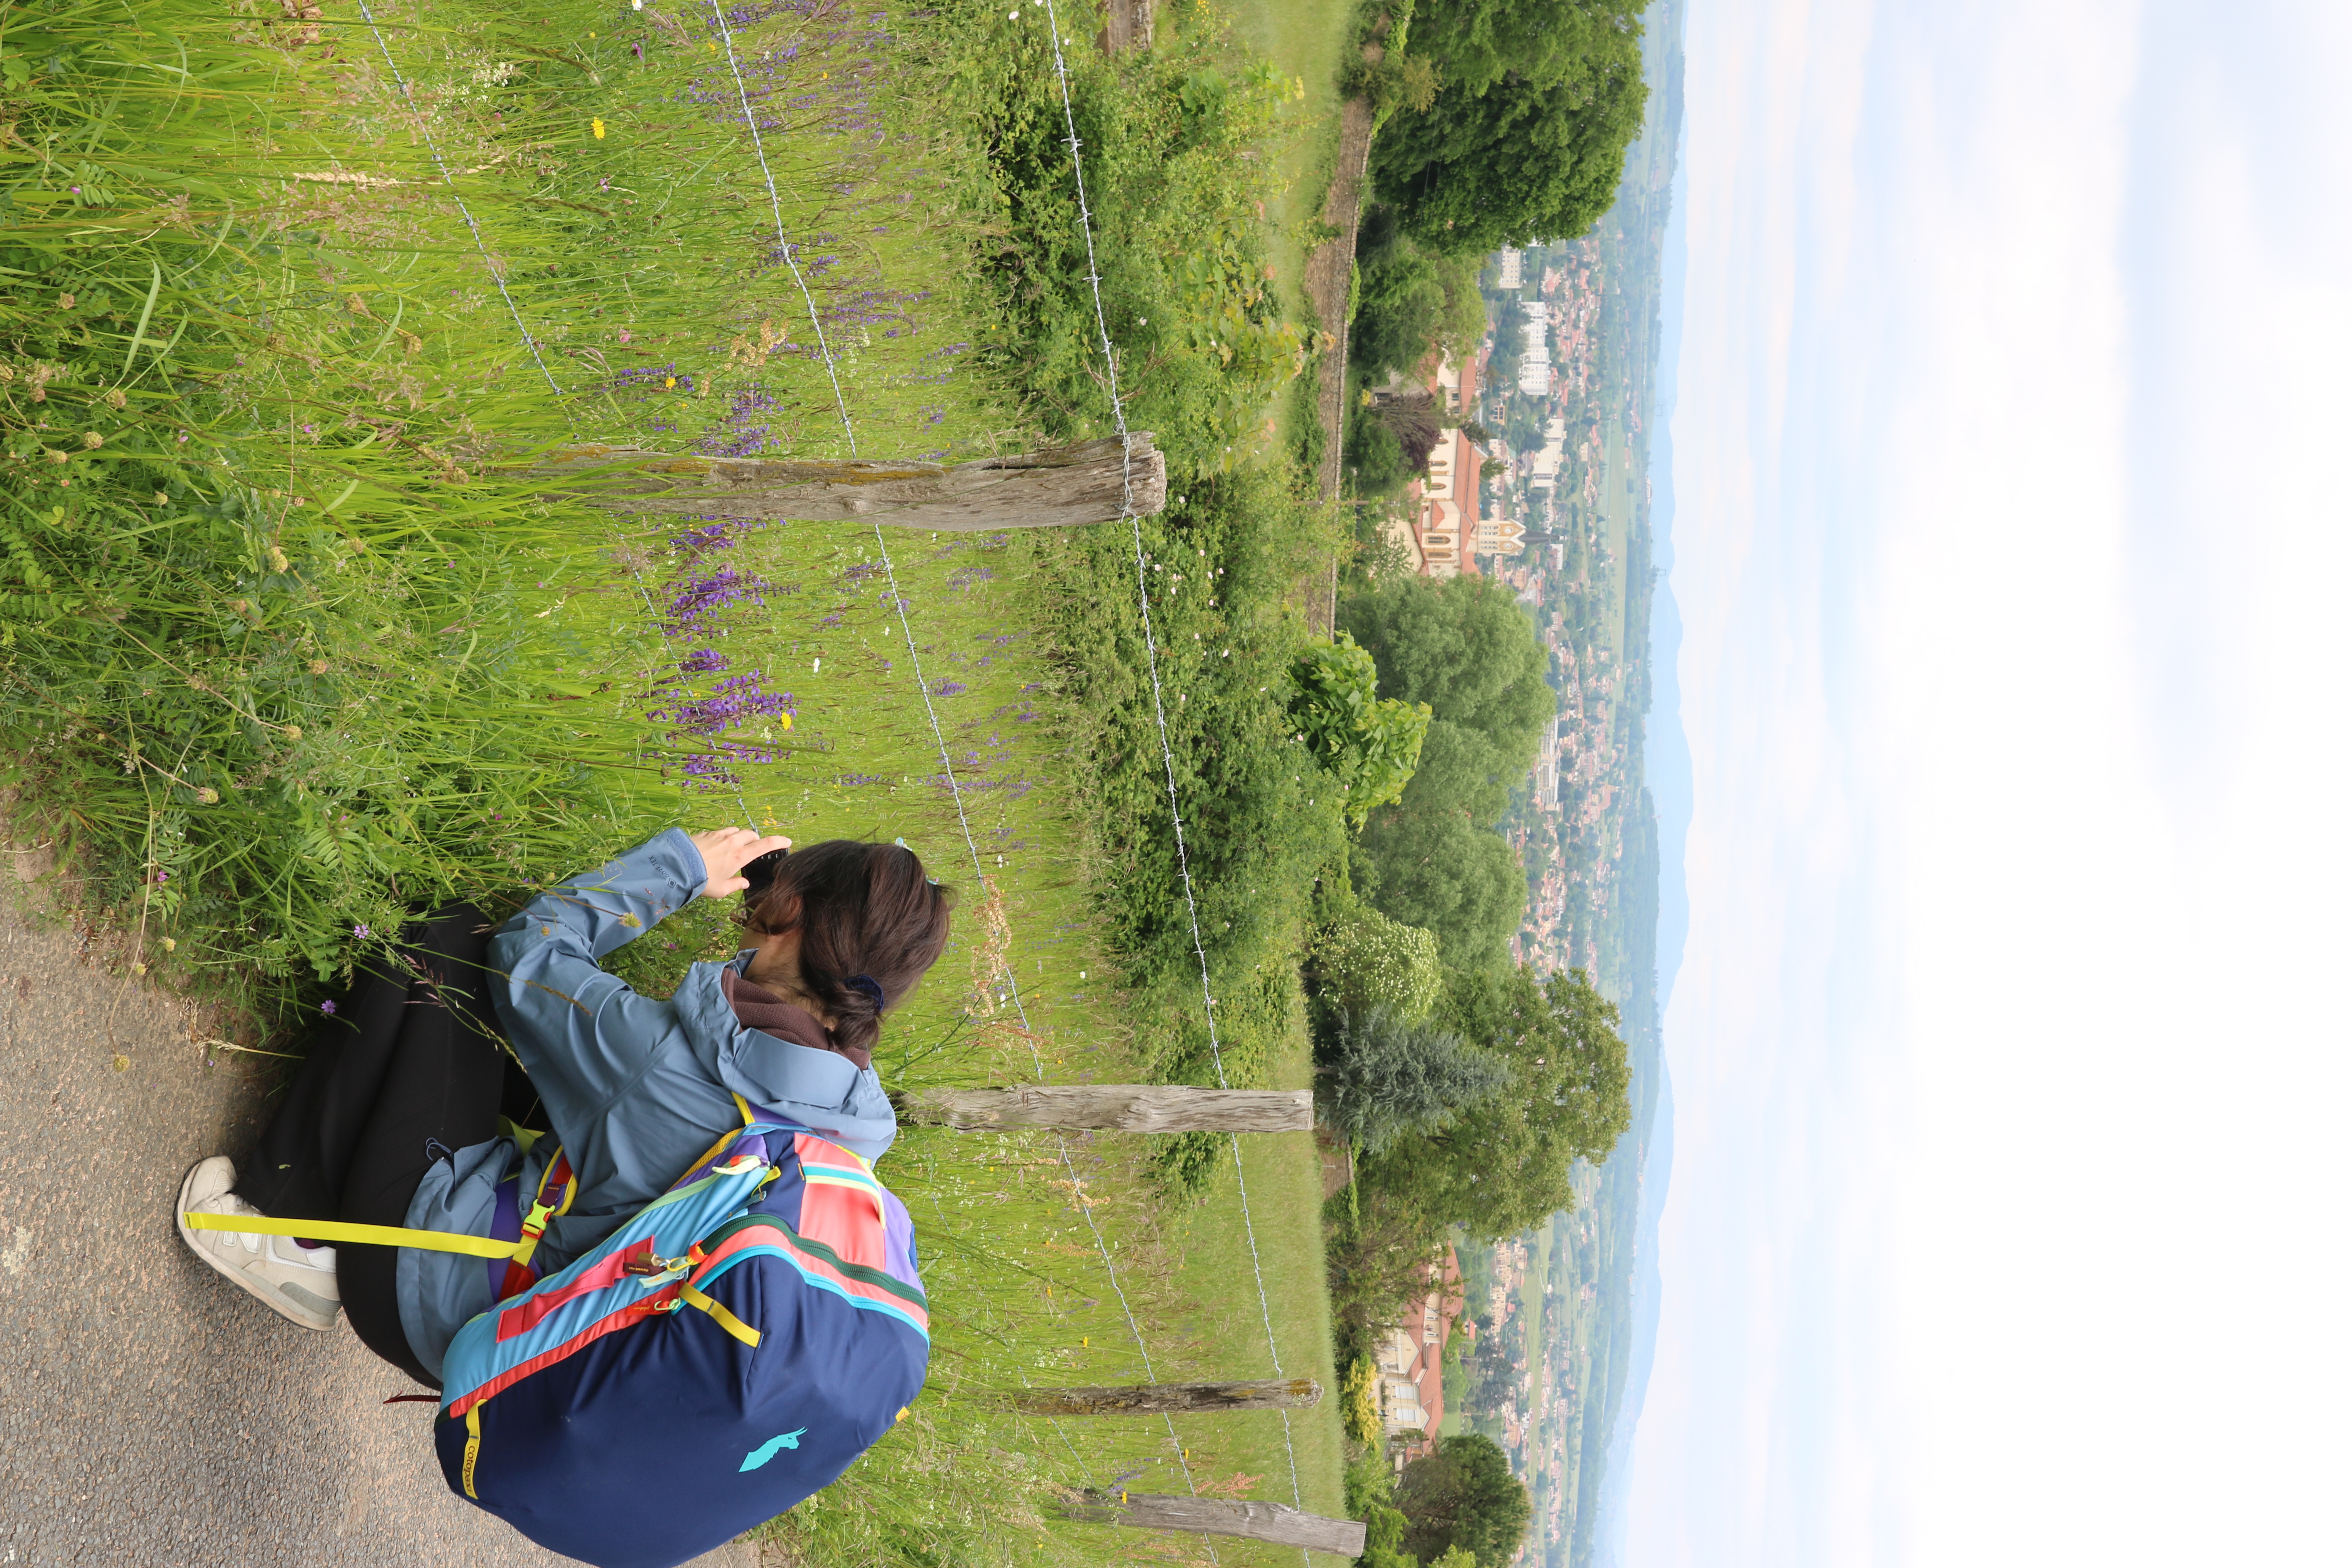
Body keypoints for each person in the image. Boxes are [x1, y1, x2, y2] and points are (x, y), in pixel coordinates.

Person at [175, 826, 952, 1387]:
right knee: (551, 1079)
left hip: (430, 1293)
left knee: (447, 943)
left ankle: (288, 1232)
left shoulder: (663, 1059)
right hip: (524, 1358)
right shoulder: (843, 1137)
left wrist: (681, 866)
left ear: (790, 911)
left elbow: (529, 952)